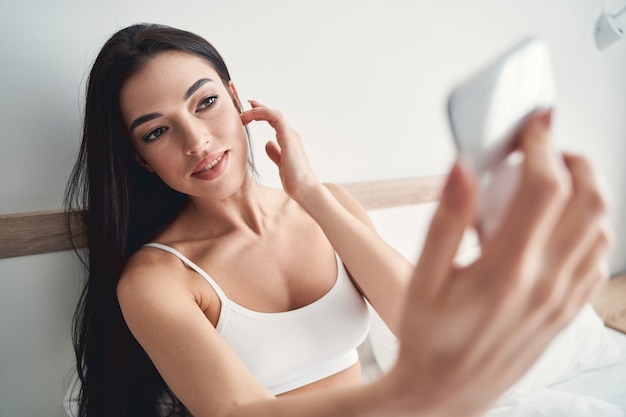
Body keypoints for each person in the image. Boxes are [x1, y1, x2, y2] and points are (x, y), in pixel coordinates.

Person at [64, 23, 612, 417]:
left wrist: (311, 194)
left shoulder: (325, 207)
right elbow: (237, 411)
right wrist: (412, 396)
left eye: (205, 102)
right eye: (157, 131)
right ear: (138, 156)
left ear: (237, 100)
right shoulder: (157, 281)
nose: (196, 141)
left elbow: (419, 325)